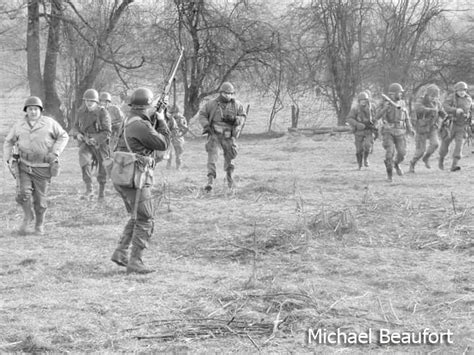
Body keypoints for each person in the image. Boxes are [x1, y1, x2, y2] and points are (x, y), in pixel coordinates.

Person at [110, 87, 170, 274]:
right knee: (146, 218)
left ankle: (121, 253)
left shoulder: (130, 119)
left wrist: (156, 115)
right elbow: (163, 143)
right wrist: (161, 121)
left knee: (137, 216)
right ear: (148, 105)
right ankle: (135, 261)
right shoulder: (140, 125)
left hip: (124, 175)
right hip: (135, 178)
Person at [3, 96, 69, 235]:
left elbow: (63, 136)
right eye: (30, 109)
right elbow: (8, 141)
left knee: (40, 200)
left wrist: (55, 152)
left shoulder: (50, 123)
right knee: (22, 193)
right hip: (24, 165)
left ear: (40, 110)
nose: (33, 112)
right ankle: (28, 216)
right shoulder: (19, 125)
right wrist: (7, 157)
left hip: (43, 166)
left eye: (35, 109)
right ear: (26, 111)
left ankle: (39, 225)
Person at [197, 82, 246, 191]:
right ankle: (210, 181)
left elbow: (243, 116)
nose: (228, 95)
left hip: (228, 136)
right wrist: (206, 125)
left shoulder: (237, 105)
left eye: (230, 93)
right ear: (221, 93)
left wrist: (235, 119)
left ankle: (230, 180)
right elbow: (202, 115)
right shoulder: (211, 104)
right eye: (226, 93)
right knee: (212, 157)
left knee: (231, 158)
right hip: (214, 134)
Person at [70, 89, 111, 200]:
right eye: (87, 100)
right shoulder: (81, 111)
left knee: (103, 166)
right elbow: (75, 127)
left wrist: (96, 139)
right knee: (84, 161)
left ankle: (101, 193)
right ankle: (89, 189)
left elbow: (107, 132)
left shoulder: (103, 113)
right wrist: (77, 134)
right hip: (86, 142)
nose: (89, 102)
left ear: (96, 101)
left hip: (100, 143)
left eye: (91, 100)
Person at [375, 83, 414, 182]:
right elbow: (376, 117)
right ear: (393, 94)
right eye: (399, 93)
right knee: (389, 153)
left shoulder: (402, 103)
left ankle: (396, 164)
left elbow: (406, 117)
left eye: (401, 93)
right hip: (388, 132)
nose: (400, 95)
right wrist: (385, 108)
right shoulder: (384, 103)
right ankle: (389, 175)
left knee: (402, 153)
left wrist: (410, 128)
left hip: (400, 131)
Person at [409, 84, 446, 173]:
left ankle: (426, 158)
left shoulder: (437, 103)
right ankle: (412, 163)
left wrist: (444, 115)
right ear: (427, 94)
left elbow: (442, 112)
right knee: (420, 151)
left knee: (435, 144)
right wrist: (430, 110)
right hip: (422, 128)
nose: (434, 98)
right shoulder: (421, 100)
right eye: (432, 96)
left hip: (433, 127)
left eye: (436, 96)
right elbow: (418, 108)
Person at [438, 81, 473, 171]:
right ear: (456, 90)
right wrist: (455, 110)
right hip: (451, 125)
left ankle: (454, 165)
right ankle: (441, 159)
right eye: (460, 90)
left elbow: (471, 110)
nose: (462, 92)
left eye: (464, 90)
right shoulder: (451, 98)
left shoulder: (469, 99)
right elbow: (445, 106)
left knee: (459, 145)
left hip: (462, 126)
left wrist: (472, 119)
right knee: (445, 144)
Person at [346, 92, 377, 169]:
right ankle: (359, 165)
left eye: (365, 100)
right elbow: (349, 118)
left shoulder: (372, 108)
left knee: (368, 146)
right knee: (359, 149)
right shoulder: (355, 109)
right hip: (359, 131)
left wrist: (375, 125)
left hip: (369, 131)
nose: (363, 102)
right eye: (361, 100)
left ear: (367, 100)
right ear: (359, 101)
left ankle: (366, 159)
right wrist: (356, 124)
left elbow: (376, 117)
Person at [166, 105, 188, 170]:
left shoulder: (181, 118)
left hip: (177, 137)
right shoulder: (169, 118)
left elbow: (185, 128)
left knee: (178, 153)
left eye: (173, 112)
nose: (172, 114)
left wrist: (180, 134)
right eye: (171, 113)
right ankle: (168, 165)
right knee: (169, 152)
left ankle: (178, 166)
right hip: (170, 136)